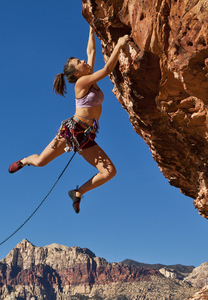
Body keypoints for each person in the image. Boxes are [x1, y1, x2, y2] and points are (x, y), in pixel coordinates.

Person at [8, 26, 130, 214]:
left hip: (86, 137)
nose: (83, 61)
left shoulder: (88, 78)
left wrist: (91, 30)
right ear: (76, 74)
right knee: (40, 161)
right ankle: (25, 160)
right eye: (79, 62)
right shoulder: (82, 83)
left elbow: (91, 51)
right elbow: (107, 69)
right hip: (72, 130)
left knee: (109, 172)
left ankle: (78, 192)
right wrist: (120, 45)